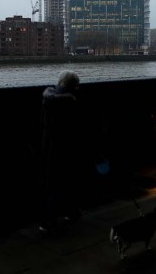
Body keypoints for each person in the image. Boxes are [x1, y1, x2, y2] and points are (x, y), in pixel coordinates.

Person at [38, 70, 89, 234]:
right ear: (72, 86)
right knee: (66, 180)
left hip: (48, 143)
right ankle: (61, 216)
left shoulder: (47, 98)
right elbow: (75, 128)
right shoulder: (69, 102)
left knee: (50, 182)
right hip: (64, 145)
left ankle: (49, 219)